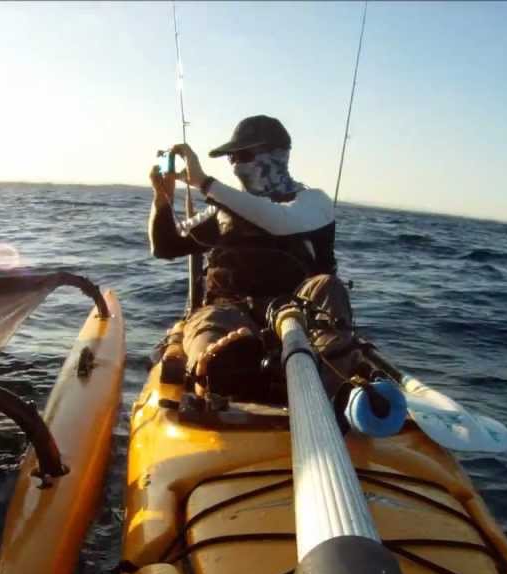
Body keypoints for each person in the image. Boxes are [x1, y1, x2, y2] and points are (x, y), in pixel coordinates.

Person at [148, 115, 362, 397]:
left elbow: (278, 221)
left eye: (244, 154)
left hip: (298, 315)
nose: (235, 164)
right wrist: (161, 199)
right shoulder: (223, 209)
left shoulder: (314, 203)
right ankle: (217, 371)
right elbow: (165, 246)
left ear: (278, 155)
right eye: (231, 158)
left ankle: (323, 382)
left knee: (328, 287)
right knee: (210, 328)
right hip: (228, 312)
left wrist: (204, 183)